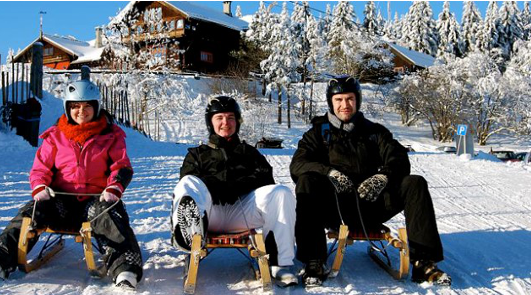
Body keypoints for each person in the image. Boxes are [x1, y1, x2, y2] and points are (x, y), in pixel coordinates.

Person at [0, 80, 143, 289]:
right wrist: (40, 187)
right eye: (75, 106)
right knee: (31, 211)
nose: (82, 111)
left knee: (111, 216)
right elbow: (40, 169)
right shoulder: (55, 136)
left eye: (87, 106)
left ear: (96, 107)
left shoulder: (111, 135)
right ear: (68, 108)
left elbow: (121, 166)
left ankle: (125, 268)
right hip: (60, 201)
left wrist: (113, 188)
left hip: (96, 201)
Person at [290, 75, 451, 287]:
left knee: (415, 183)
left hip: (372, 205)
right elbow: (298, 164)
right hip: (335, 208)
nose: (344, 105)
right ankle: (313, 261)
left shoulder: (374, 132)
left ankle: (424, 262)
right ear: (331, 103)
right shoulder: (318, 134)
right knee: (307, 181)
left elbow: (399, 158)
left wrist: (383, 176)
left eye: (349, 99)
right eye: (339, 100)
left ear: (357, 100)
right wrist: (328, 173)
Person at [171, 96, 298, 287]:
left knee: (281, 192)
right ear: (210, 122)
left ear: (237, 121)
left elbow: (265, 179)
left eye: (230, 117)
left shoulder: (249, 153)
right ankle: (187, 233)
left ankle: (280, 263)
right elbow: (188, 181)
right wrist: (216, 186)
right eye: (219, 118)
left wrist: (239, 185)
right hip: (209, 214)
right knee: (188, 183)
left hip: (242, 213)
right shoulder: (197, 155)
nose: (225, 123)